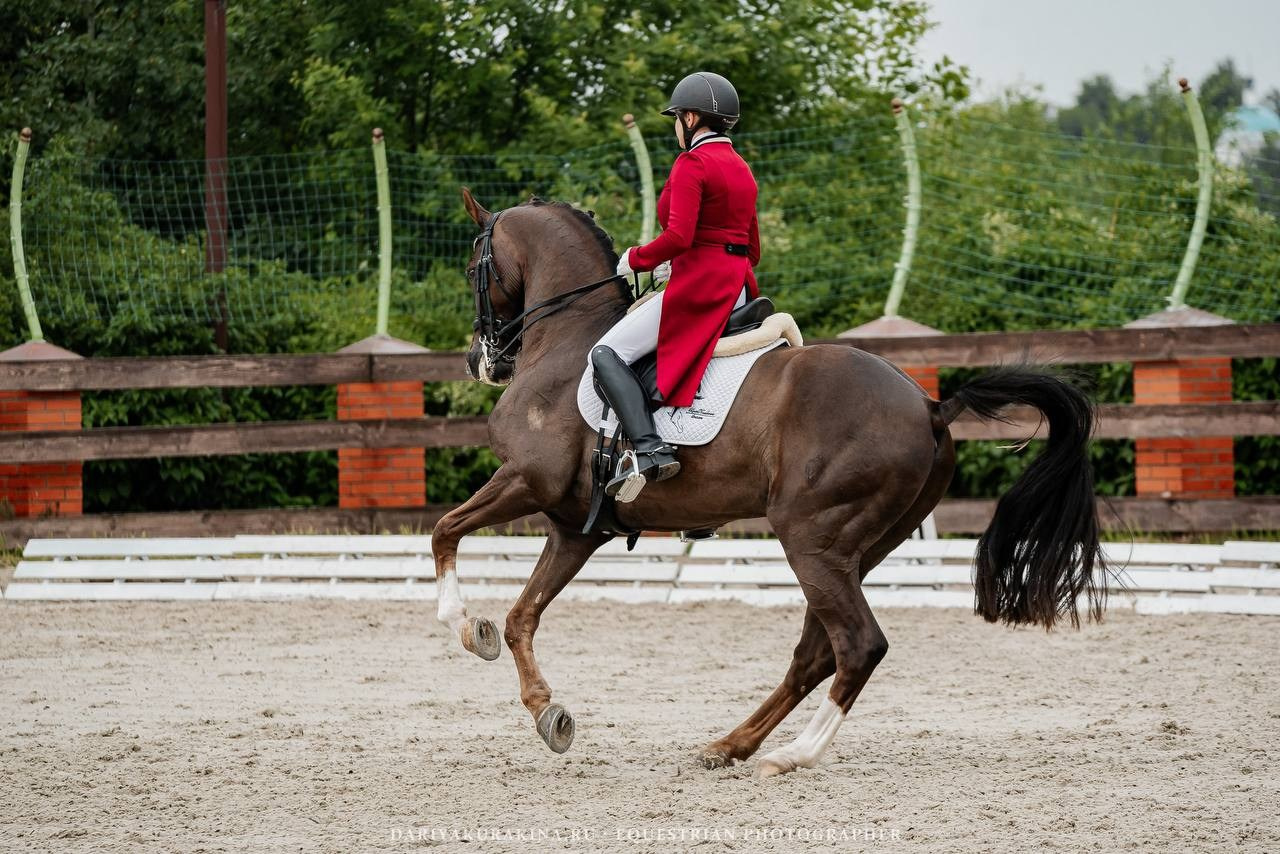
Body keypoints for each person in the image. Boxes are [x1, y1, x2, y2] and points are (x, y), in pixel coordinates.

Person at [590, 71, 761, 501]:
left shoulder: (693, 163)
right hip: (737, 286)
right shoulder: (742, 168)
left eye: (675, 118)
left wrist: (636, 259)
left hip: (699, 288)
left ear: (689, 117)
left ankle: (648, 450)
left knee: (606, 353)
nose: (674, 127)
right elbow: (752, 247)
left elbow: (680, 238)